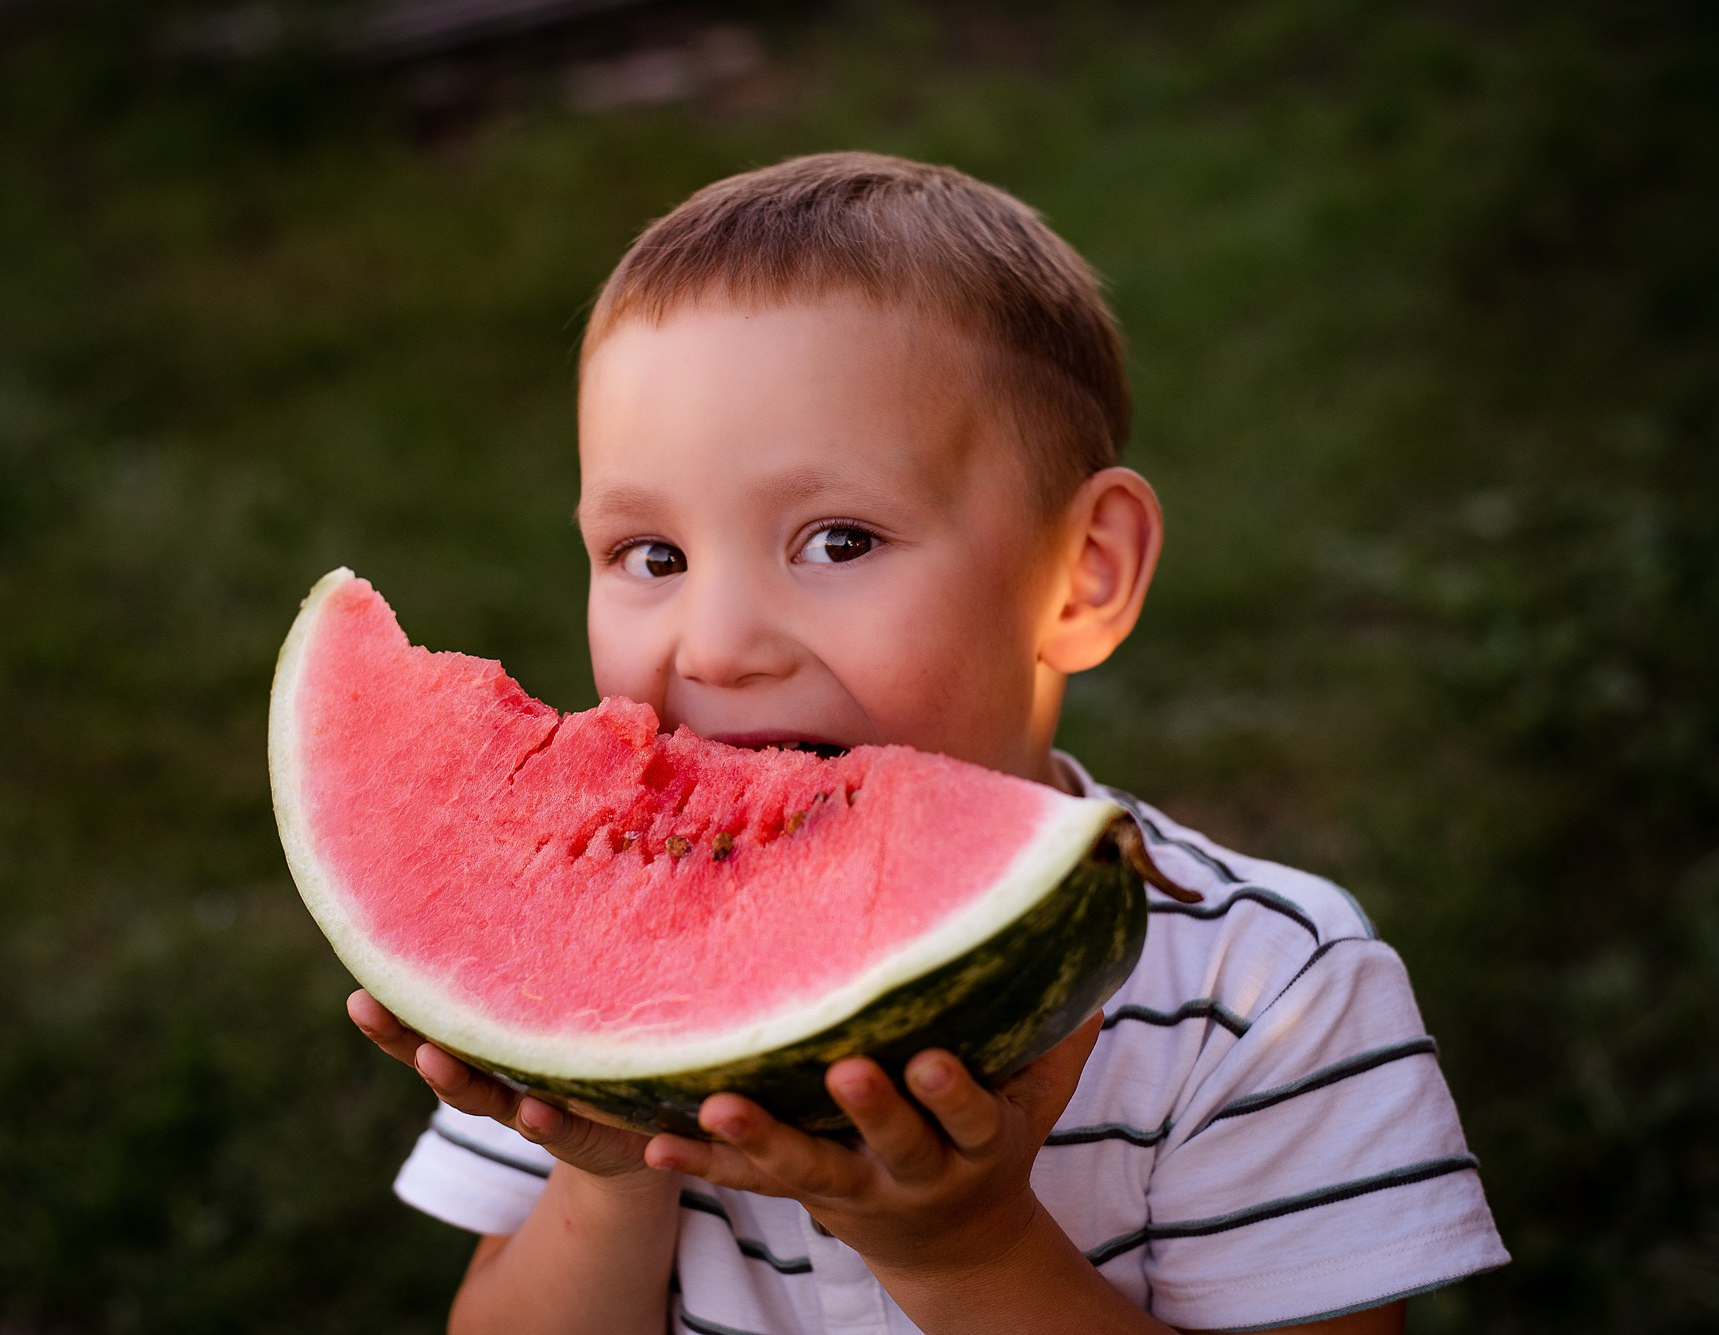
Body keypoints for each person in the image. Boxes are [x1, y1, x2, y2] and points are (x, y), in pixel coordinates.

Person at [347, 152, 1508, 1334]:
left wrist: (964, 1251)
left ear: (1082, 574)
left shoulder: (1269, 994)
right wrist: (609, 1168)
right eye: (651, 556)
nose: (717, 645)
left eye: (837, 540)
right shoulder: (573, 968)